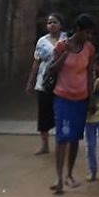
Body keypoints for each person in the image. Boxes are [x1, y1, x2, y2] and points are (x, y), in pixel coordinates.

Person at [47, 13, 96, 193]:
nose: (89, 37)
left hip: (81, 98)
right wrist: (65, 53)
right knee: (62, 137)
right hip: (62, 97)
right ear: (78, 30)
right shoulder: (61, 46)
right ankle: (59, 177)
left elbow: (90, 75)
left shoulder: (89, 49)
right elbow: (52, 69)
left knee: (75, 137)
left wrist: (90, 99)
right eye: (87, 33)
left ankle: (69, 174)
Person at [26, 12, 64, 155]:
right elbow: (36, 63)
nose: (52, 25)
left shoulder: (66, 40)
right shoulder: (42, 41)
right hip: (44, 82)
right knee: (43, 114)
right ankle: (44, 144)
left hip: (62, 82)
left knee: (60, 113)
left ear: (61, 24)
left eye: (55, 22)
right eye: (49, 22)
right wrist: (31, 82)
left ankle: (61, 143)